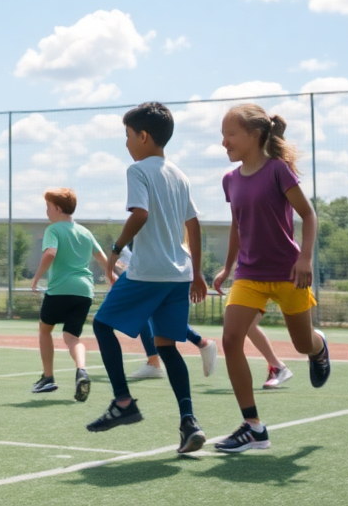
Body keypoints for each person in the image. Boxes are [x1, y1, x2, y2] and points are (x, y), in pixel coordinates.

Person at [86, 102, 208, 455]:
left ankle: (123, 402)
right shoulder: (179, 173)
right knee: (168, 346)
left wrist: (115, 249)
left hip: (147, 271)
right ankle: (189, 421)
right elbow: (194, 226)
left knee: (102, 325)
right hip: (179, 275)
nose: (125, 143)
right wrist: (197, 273)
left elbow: (140, 213)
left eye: (127, 135)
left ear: (143, 136)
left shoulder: (138, 170)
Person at [210, 105, 331, 453]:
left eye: (230, 134)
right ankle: (253, 427)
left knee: (301, 344)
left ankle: (318, 347)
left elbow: (308, 216)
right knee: (231, 339)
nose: (224, 142)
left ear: (255, 135)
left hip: (288, 272)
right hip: (250, 274)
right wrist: (228, 267)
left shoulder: (278, 170)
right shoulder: (229, 180)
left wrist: (305, 258)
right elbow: (236, 226)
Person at [95, 246, 220, 381]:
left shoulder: (142, 237)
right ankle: (198, 343)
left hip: (153, 272)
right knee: (155, 316)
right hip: (166, 270)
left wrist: (115, 253)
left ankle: (150, 367)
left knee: (137, 317)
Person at [29, 188, 97, 401]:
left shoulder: (54, 229)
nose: (47, 211)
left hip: (60, 289)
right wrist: (112, 277)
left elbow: (50, 253)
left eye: (48, 206)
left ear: (57, 208)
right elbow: (103, 258)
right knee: (71, 337)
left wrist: (37, 277)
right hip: (85, 291)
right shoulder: (85, 232)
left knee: (45, 330)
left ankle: (48, 378)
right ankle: (82, 371)